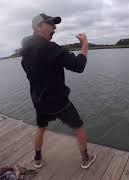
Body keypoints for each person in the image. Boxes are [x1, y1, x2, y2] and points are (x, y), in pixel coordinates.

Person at [20, 13, 96, 169]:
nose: (54, 27)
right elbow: (78, 66)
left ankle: (37, 159)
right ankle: (85, 159)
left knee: (41, 128)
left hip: (40, 102)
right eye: (50, 23)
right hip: (59, 102)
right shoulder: (50, 48)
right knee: (79, 127)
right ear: (38, 27)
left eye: (55, 24)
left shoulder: (25, 54)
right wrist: (85, 44)